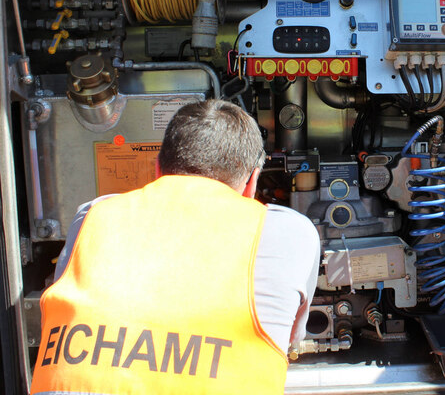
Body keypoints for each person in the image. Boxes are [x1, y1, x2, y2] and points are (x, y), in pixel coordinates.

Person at [31, 99, 320, 395]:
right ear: (252, 183)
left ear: (157, 169)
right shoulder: (291, 232)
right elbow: (290, 340)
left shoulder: (91, 215)